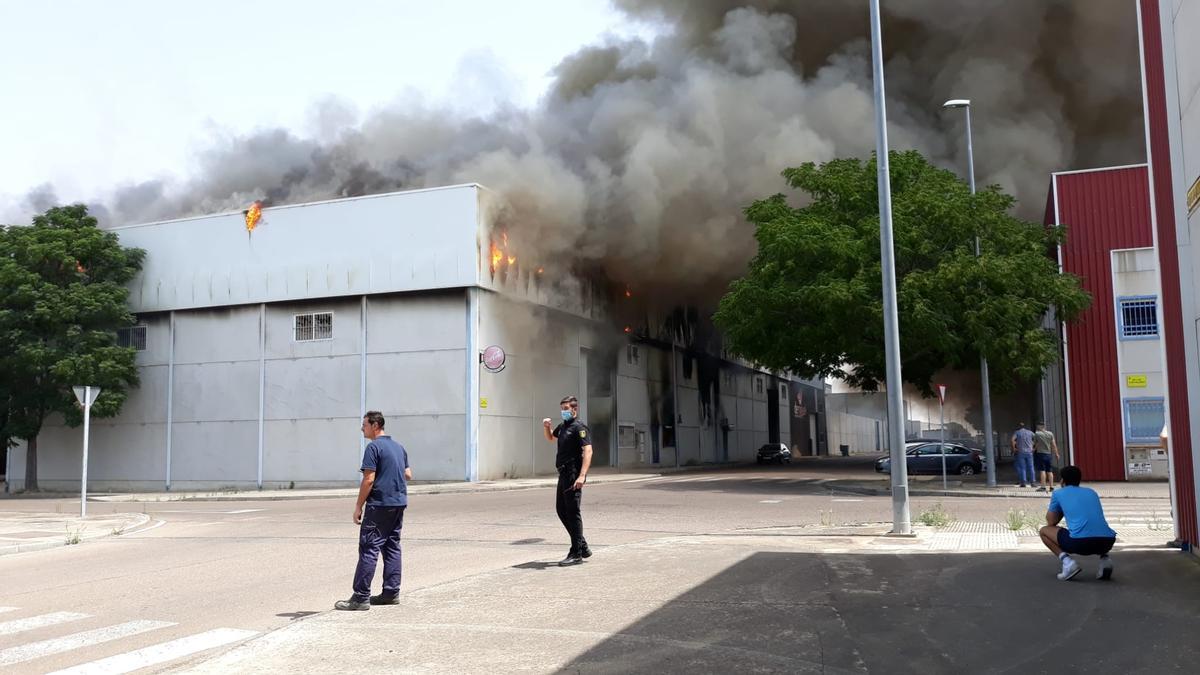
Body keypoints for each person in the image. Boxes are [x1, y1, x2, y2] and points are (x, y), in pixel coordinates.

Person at [335, 411, 412, 611]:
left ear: (375, 425)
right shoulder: (398, 447)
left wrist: (358, 506)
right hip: (398, 502)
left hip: (379, 505)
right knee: (392, 546)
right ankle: (390, 593)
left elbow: (368, 479)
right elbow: (408, 474)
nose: (362, 428)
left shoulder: (373, 447)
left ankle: (360, 597)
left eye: (364, 425)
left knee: (369, 547)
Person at [1038, 465, 1117, 581]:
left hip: (1080, 543)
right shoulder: (1091, 492)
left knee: (1044, 531)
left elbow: (1051, 522)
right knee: (1095, 529)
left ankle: (1068, 563)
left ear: (1062, 480)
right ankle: (1105, 561)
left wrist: (1061, 509)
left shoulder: (1059, 493)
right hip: (1107, 542)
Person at [542, 395, 594, 566]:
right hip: (563, 473)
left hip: (573, 474)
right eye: (562, 409)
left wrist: (582, 475)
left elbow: (588, 451)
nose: (563, 412)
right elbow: (551, 438)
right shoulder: (563, 427)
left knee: (572, 512)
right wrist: (547, 427)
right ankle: (583, 546)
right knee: (561, 510)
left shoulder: (579, 427)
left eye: (566, 409)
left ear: (574, 409)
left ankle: (577, 553)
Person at [1033, 422, 1059, 492]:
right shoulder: (1050, 433)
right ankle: (1051, 487)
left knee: (1042, 471)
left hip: (1041, 454)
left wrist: (1032, 450)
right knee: (1050, 471)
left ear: (1039, 426)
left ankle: (1043, 487)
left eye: (1037, 426)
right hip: (1049, 454)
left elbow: (1036, 444)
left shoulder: (1037, 434)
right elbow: (1053, 444)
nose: (1037, 427)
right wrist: (1056, 454)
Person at [1011, 422, 1036, 488]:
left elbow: (1012, 440)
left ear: (1019, 427)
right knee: (1031, 467)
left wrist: (1014, 448)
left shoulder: (1017, 432)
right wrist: (1034, 448)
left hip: (1021, 452)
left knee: (1022, 468)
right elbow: (1037, 439)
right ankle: (1032, 482)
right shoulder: (1030, 432)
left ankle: (1023, 483)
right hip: (1029, 452)